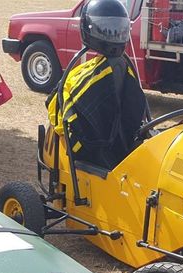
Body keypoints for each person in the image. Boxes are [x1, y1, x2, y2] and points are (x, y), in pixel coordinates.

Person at [47, 0, 148, 169]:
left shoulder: (83, 76)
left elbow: (56, 108)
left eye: (116, 29)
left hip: (96, 152)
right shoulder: (125, 69)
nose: (113, 33)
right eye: (108, 28)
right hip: (113, 152)